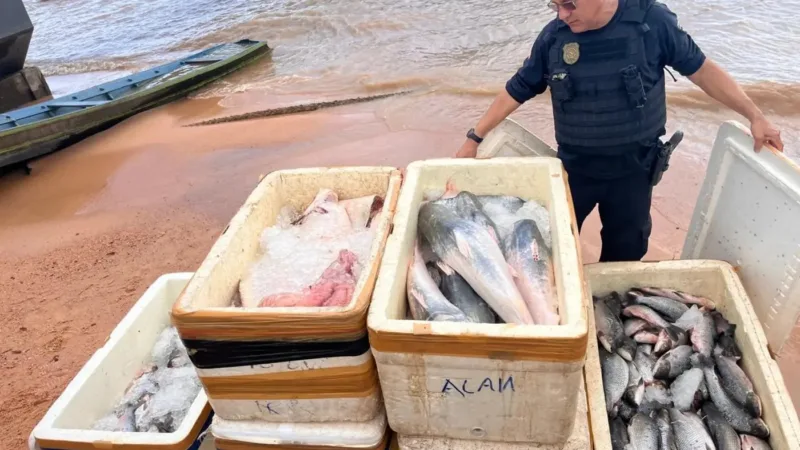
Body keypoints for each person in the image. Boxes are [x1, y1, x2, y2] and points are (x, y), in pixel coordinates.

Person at [456, 0, 784, 262]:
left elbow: (702, 71)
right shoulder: (554, 37)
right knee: (549, 248)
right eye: (554, 5)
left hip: (634, 170)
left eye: (568, 4)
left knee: (625, 255)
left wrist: (755, 115)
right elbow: (517, 88)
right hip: (573, 170)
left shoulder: (651, 22)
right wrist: (475, 137)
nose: (562, 14)